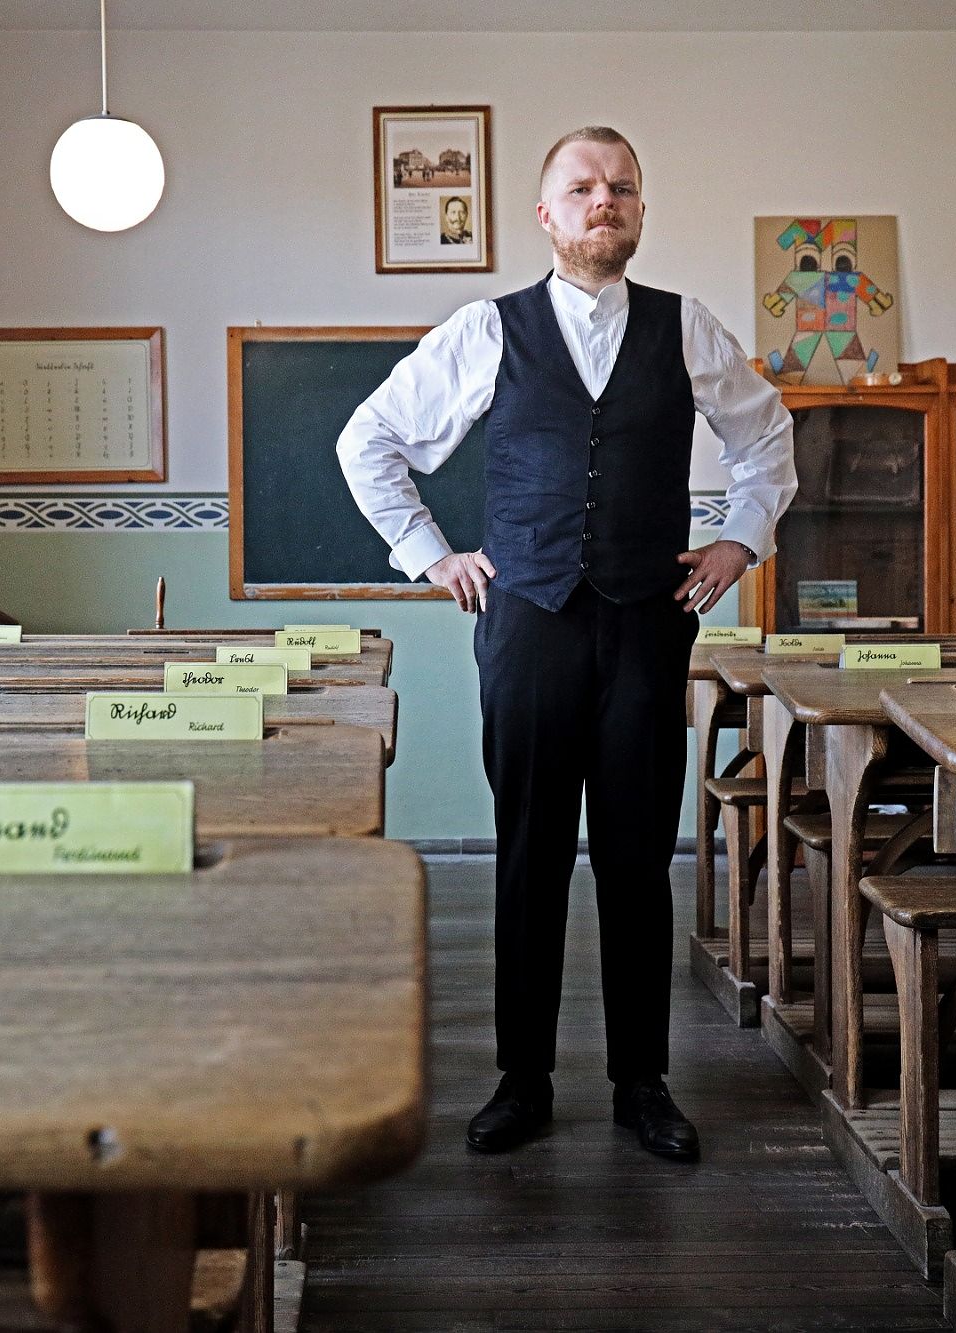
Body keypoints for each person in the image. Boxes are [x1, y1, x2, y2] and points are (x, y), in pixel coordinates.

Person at [336, 126, 796, 1162]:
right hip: (527, 625)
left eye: (621, 187)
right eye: (583, 187)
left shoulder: (685, 327)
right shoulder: (487, 330)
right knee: (529, 851)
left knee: (637, 855)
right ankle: (522, 1078)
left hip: (645, 623)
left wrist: (739, 539)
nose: (605, 200)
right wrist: (430, 554)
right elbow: (368, 439)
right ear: (545, 214)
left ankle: (642, 1081)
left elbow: (767, 437)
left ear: (639, 211)